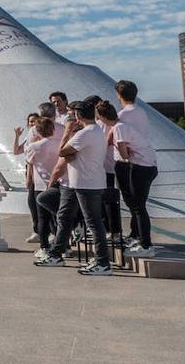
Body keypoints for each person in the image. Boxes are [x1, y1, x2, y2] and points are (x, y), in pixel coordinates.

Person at [34, 100, 112, 276]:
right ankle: (56, 254)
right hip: (81, 182)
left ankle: (102, 262)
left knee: (93, 222)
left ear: (78, 116)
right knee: (64, 216)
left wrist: (68, 130)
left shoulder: (85, 133)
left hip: (86, 183)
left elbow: (62, 151)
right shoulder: (96, 131)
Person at [113, 79, 159, 252]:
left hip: (136, 162)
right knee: (138, 204)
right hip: (146, 160)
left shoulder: (122, 116)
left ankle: (145, 244)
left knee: (137, 206)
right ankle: (137, 235)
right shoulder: (141, 112)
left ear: (119, 95)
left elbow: (121, 143)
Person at [24, 117, 60, 259]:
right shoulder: (59, 144)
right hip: (58, 183)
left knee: (42, 218)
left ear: (38, 131)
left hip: (41, 185)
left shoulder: (34, 146)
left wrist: (29, 179)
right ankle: (64, 246)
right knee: (58, 216)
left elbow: (29, 163)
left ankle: (44, 247)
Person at [93, 101, 125, 241]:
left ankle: (112, 231)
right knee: (107, 201)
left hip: (106, 166)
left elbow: (105, 142)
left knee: (107, 200)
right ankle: (112, 231)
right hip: (108, 165)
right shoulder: (112, 124)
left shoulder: (104, 125)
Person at [13, 111, 42, 243]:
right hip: (29, 170)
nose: (33, 123)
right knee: (32, 201)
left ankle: (45, 231)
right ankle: (36, 230)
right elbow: (16, 151)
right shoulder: (27, 137)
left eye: (35, 121)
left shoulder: (42, 137)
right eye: (31, 121)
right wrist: (17, 136)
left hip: (40, 171)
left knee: (40, 201)